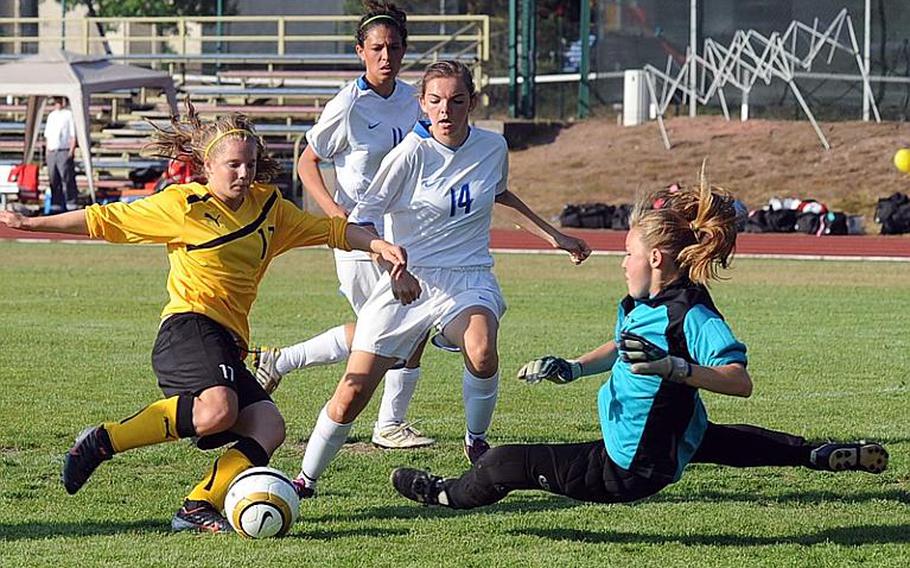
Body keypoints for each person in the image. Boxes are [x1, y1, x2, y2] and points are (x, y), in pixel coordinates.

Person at [0, 101, 415, 533]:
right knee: (217, 410)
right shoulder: (185, 205)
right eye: (233, 165)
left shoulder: (270, 208)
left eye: (249, 164)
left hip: (227, 341)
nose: (243, 173)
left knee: (268, 426)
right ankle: (103, 440)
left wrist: (377, 246)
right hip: (188, 326)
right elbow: (104, 219)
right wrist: (32, 223)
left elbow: (331, 230)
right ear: (207, 165)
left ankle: (197, 506)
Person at [389, 172, 889, 510]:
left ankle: (443, 495)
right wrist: (574, 366)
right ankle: (817, 455)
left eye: (628, 252)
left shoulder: (690, 313)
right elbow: (623, 347)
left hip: (629, 467)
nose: (621, 261)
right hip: (671, 434)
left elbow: (740, 381)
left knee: (504, 463)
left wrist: (673, 368)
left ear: (654, 259)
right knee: (716, 439)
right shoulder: (641, 303)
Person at [292, 59, 592, 499]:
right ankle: (305, 480)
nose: (445, 110)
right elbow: (362, 223)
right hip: (410, 279)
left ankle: (476, 442)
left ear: (472, 102)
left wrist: (555, 235)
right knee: (353, 393)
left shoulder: (493, 148)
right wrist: (395, 269)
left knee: (482, 346)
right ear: (423, 104)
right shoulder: (408, 156)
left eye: (456, 100)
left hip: (467, 276)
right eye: (435, 101)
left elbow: (500, 194)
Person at [252, 1, 431, 451]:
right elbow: (309, 159)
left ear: (404, 49)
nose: (385, 56)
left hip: (403, 231)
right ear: (360, 51)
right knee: (391, 326)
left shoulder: (416, 100)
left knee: (404, 323)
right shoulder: (349, 103)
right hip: (360, 233)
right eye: (376, 48)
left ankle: (283, 361)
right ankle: (388, 423)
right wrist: (335, 214)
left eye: (393, 47)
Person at [43, 96, 79, 212]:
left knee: (67, 177)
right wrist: (47, 151)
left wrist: (71, 150)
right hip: (52, 150)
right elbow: (48, 135)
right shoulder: (51, 115)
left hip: (63, 149)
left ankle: (71, 202)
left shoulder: (68, 114)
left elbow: (72, 134)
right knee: (53, 178)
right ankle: (56, 203)